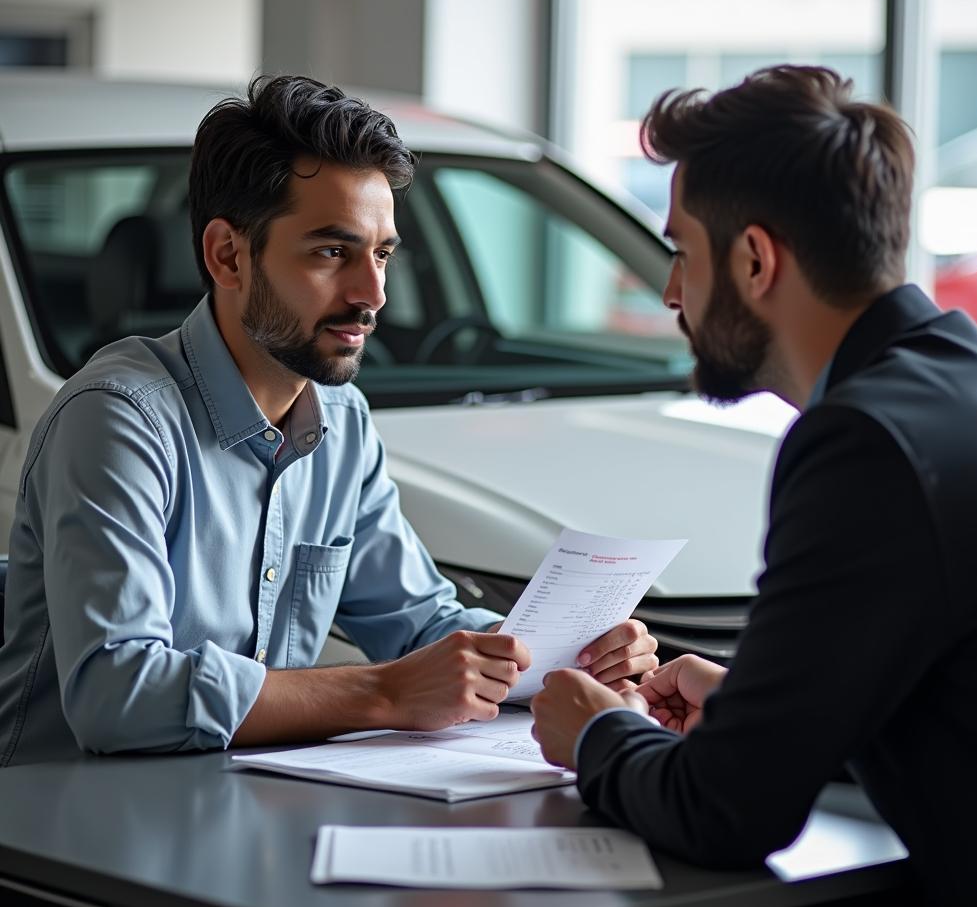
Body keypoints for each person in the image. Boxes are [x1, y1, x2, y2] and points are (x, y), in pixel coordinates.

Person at [0, 75, 657, 767]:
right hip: (66, 832)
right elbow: (119, 697)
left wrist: (567, 658)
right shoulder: (119, 420)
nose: (373, 294)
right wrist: (382, 693)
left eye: (381, 254)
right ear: (228, 254)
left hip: (243, 807)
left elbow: (419, 624)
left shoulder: (340, 420)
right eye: (331, 252)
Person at [531, 65, 977, 907]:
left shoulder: (863, 442)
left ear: (756, 260)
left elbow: (725, 812)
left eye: (682, 252)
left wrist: (597, 735)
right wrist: (755, 706)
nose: (673, 293)